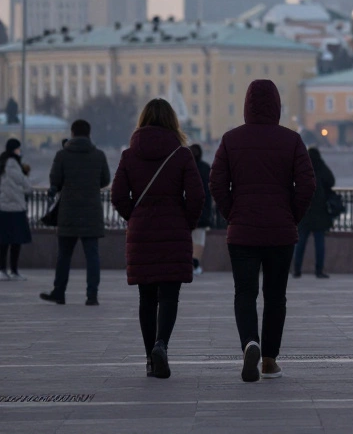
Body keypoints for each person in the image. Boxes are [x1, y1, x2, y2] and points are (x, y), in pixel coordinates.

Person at [211, 80, 316, 383]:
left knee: (244, 293)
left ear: (246, 105)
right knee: (275, 296)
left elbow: (217, 182)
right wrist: (291, 216)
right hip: (281, 231)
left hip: (242, 231)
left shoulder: (231, 139)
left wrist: (232, 213)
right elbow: (308, 184)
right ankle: (269, 360)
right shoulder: (292, 140)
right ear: (278, 106)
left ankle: (250, 343)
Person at [109, 99, 205, 378]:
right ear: (172, 121)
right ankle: (162, 345)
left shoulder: (129, 155)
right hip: (173, 229)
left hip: (141, 232)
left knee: (146, 297)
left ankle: (150, 358)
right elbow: (197, 196)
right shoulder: (182, 154)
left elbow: (117, 196)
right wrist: (186, 222)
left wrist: (134, 217)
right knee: (170, 295)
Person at [39, 120, 112, 305]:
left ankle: (59, 292)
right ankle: (92, 295)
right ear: (89, 133)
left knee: (64, 255)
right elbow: (105, 180)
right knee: (92, 256)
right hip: (91, 212)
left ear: (72, 133)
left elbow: (55, 179)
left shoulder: (62, 155)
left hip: (68, 211)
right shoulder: (99, 155)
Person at [294, 147, 336, 279]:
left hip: (305, 211)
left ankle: (296, 270)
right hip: (320, 212)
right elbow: (331, 181)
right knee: (319, 243)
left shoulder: (303, 167)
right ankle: (319, 270)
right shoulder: (321, 167)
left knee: (300, 242)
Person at [0, 139, 33, 282]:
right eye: (19, 149)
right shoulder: (14, 165)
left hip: (2, 208)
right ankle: (14, 270)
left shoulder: (1, 164)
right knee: (16, 241)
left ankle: (2, 270)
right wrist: (25, 173)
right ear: (15, 150)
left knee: (3, 242)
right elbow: (28, 188)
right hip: (16, 208)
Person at [190, 144, 214, 275]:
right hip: (203, 209)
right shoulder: (205, 168)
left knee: (188, 238)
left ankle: (189, 263)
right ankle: (196, 264)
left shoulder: (185, 167)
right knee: (199, 239)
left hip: (186, 210)